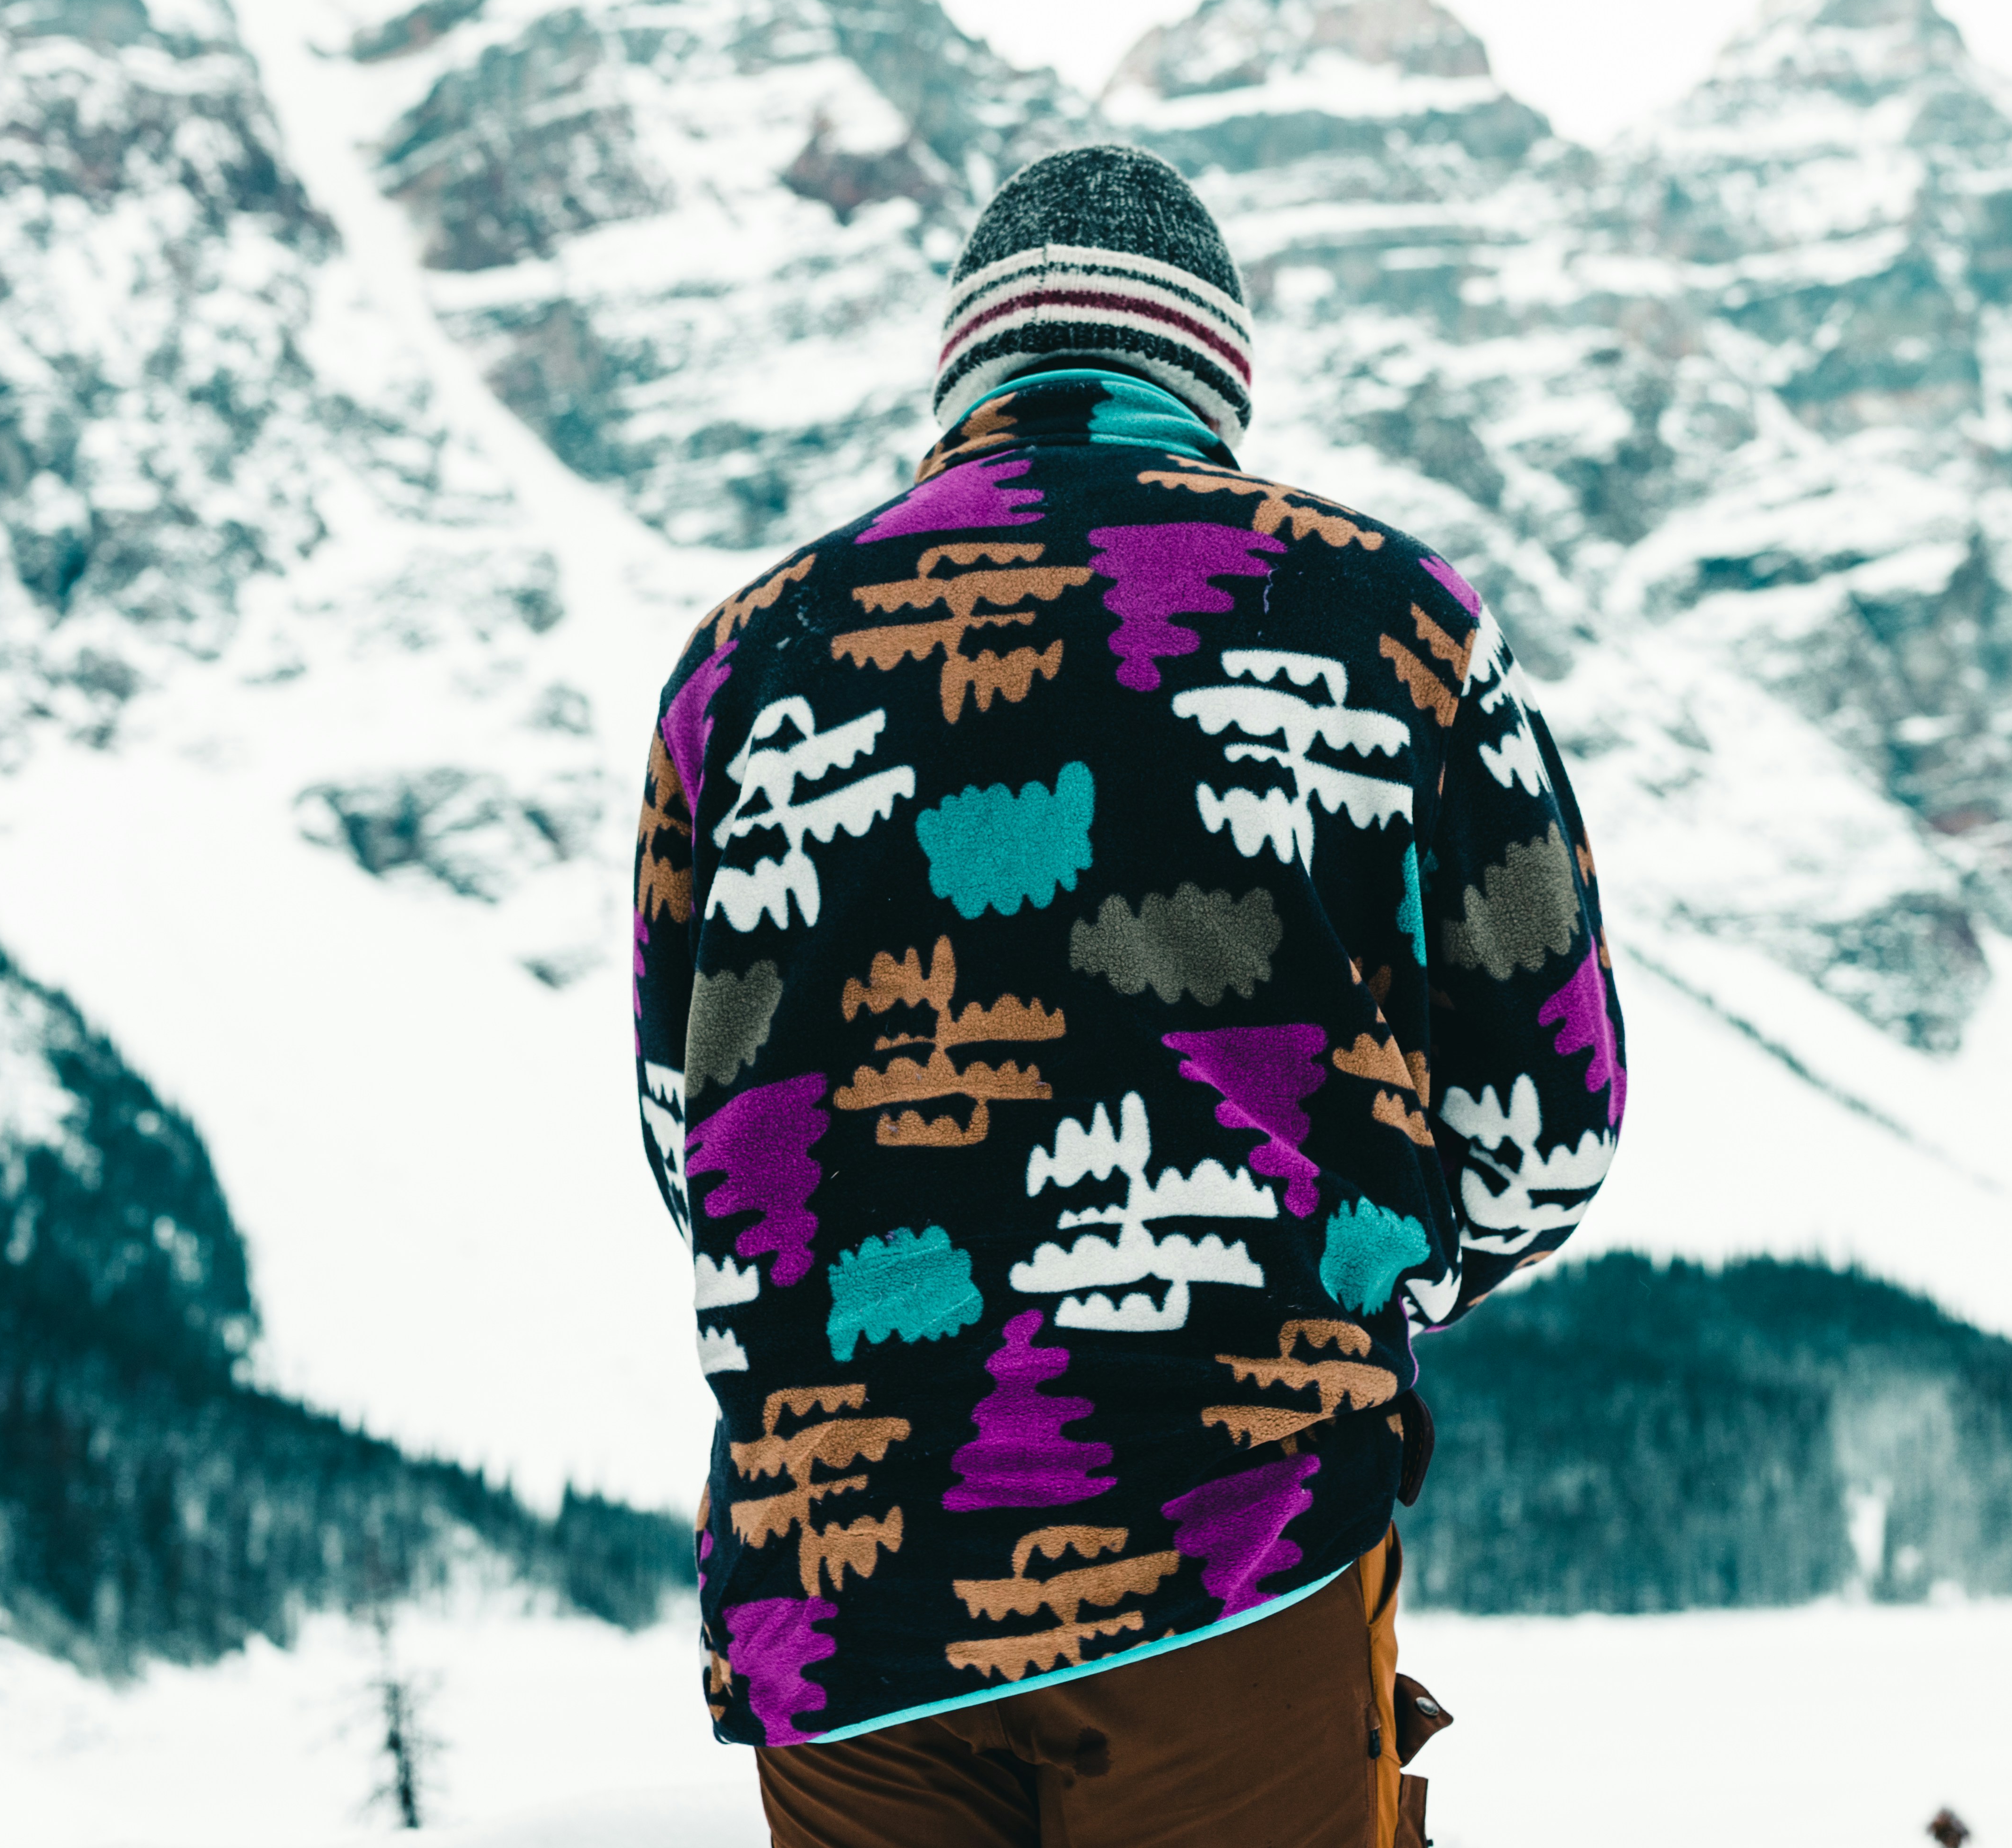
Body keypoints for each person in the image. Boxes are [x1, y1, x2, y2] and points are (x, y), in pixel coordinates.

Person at [630, 145, 1625, 1848]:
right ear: (1212, 376)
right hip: (1238, 1523)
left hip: (839, 1576)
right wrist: (1358, 1263)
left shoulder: (741, 662)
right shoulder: (1392, 621)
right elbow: (1547, 1127)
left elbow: (692, 1130)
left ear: (968, 374)